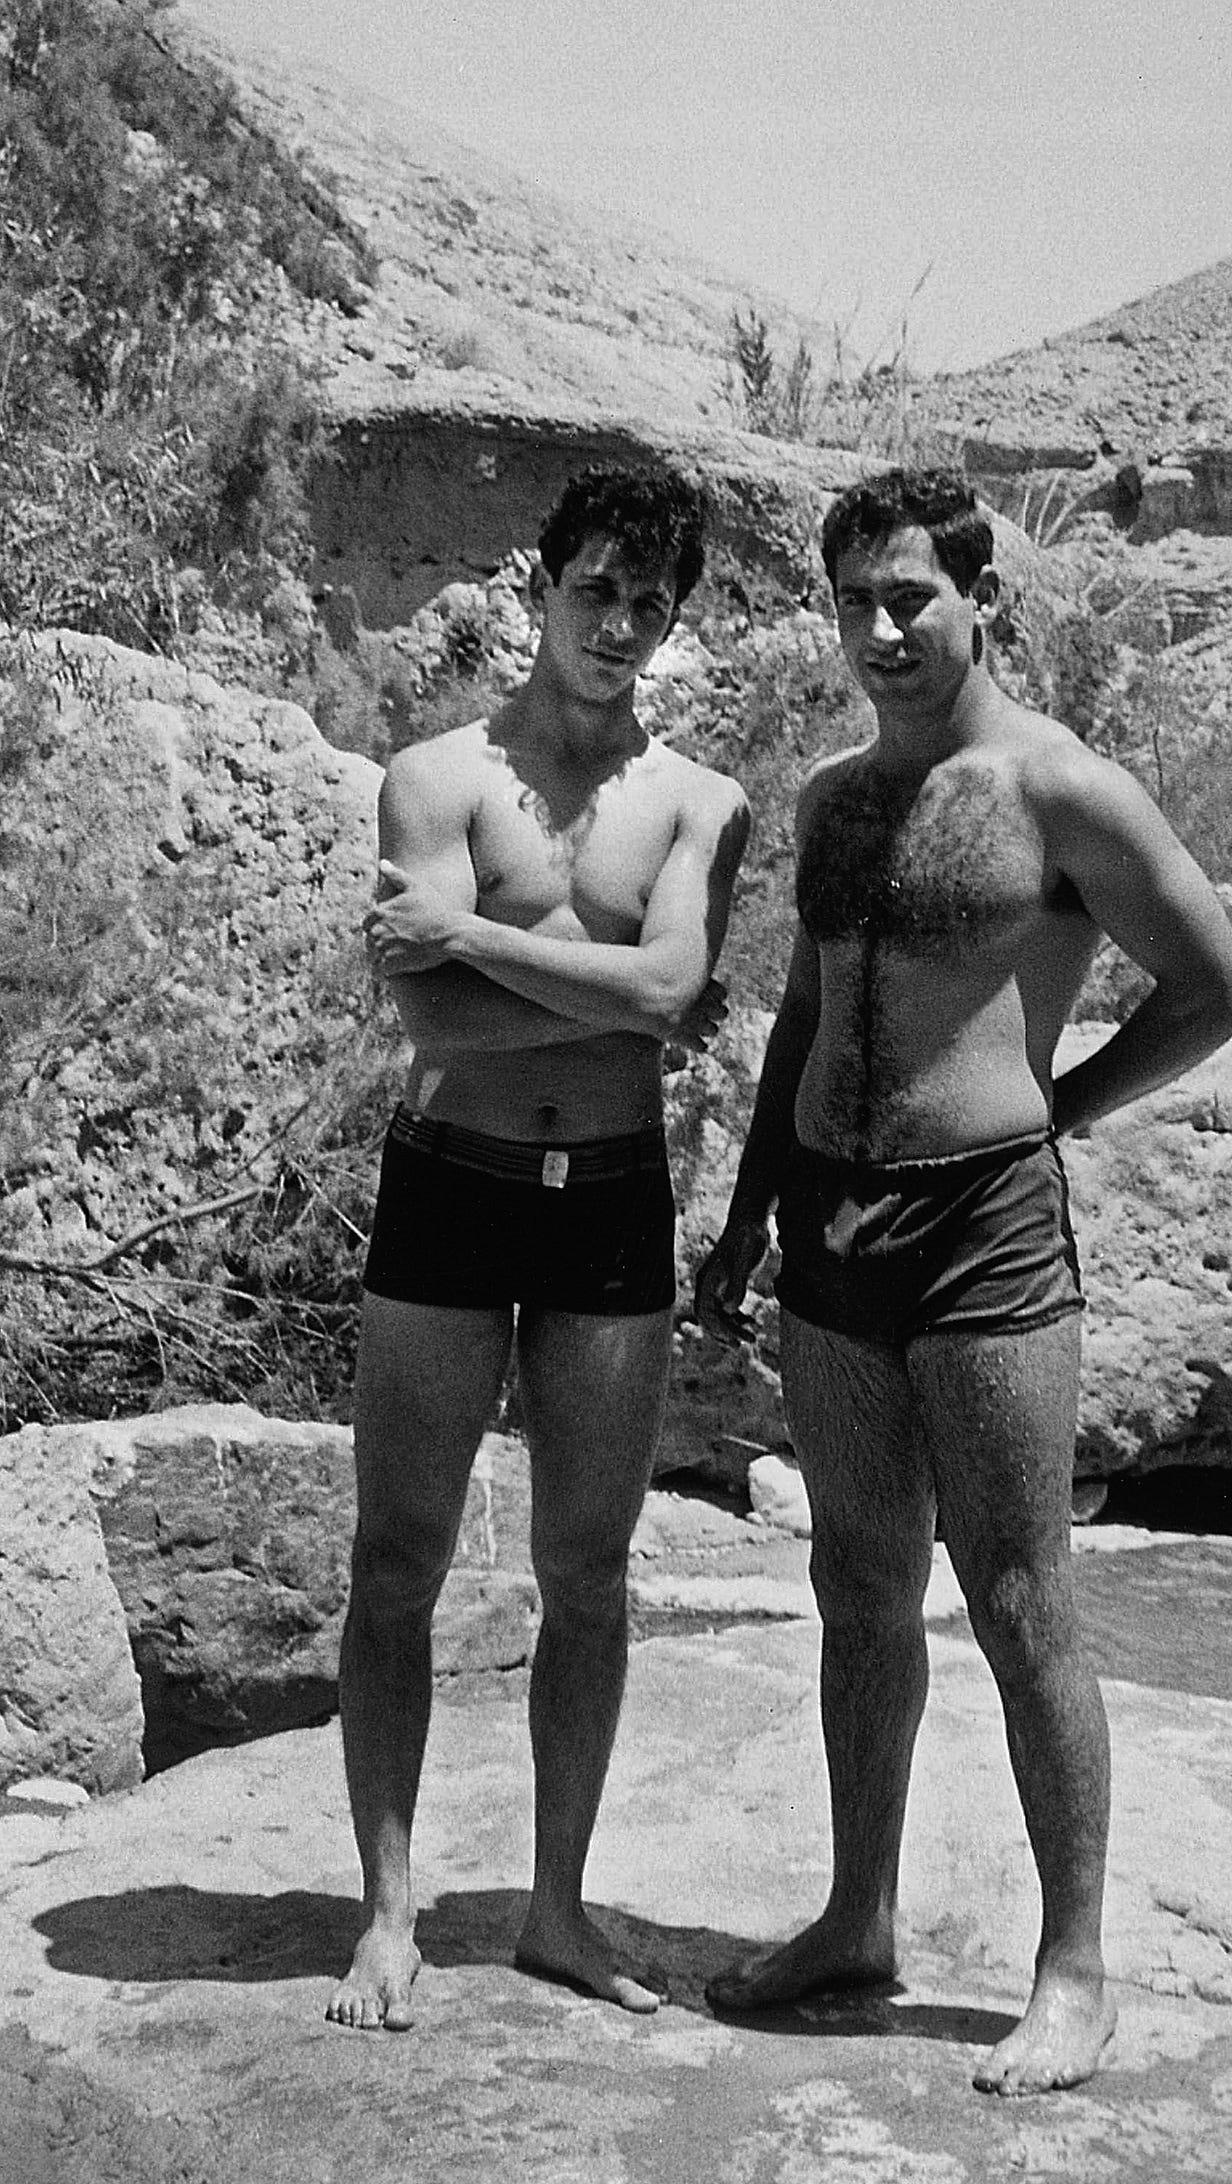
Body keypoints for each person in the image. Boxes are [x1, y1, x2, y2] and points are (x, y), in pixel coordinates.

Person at [694, 467, 1232, 2094]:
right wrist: (746, 1221)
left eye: (910, 598)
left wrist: (1058, 1103)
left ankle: (1072, 1969)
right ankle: (857, 1918)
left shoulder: (1063, 791)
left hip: (985, 1232)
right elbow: (804, 1018)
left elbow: (1212, 986)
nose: (880, 630)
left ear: (980, 599)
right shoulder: (830, 799)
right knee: (859, 1588)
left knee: (1018, 1600)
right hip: (830, 1238)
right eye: (854, 600)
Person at [327, 464, 750, 2032]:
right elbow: (427, 1015)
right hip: (452, 1178)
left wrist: (479, 941)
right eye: (599, 591)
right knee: (397, 1559)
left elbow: (664, 1000)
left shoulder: (700, 799)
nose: (622, 625)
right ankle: (387, 1912)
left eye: (651, 603)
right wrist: (587, 981)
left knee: (588, 1567)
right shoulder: (433, 780)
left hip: (613, 1198)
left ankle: (559, 1910)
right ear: (542, 585)